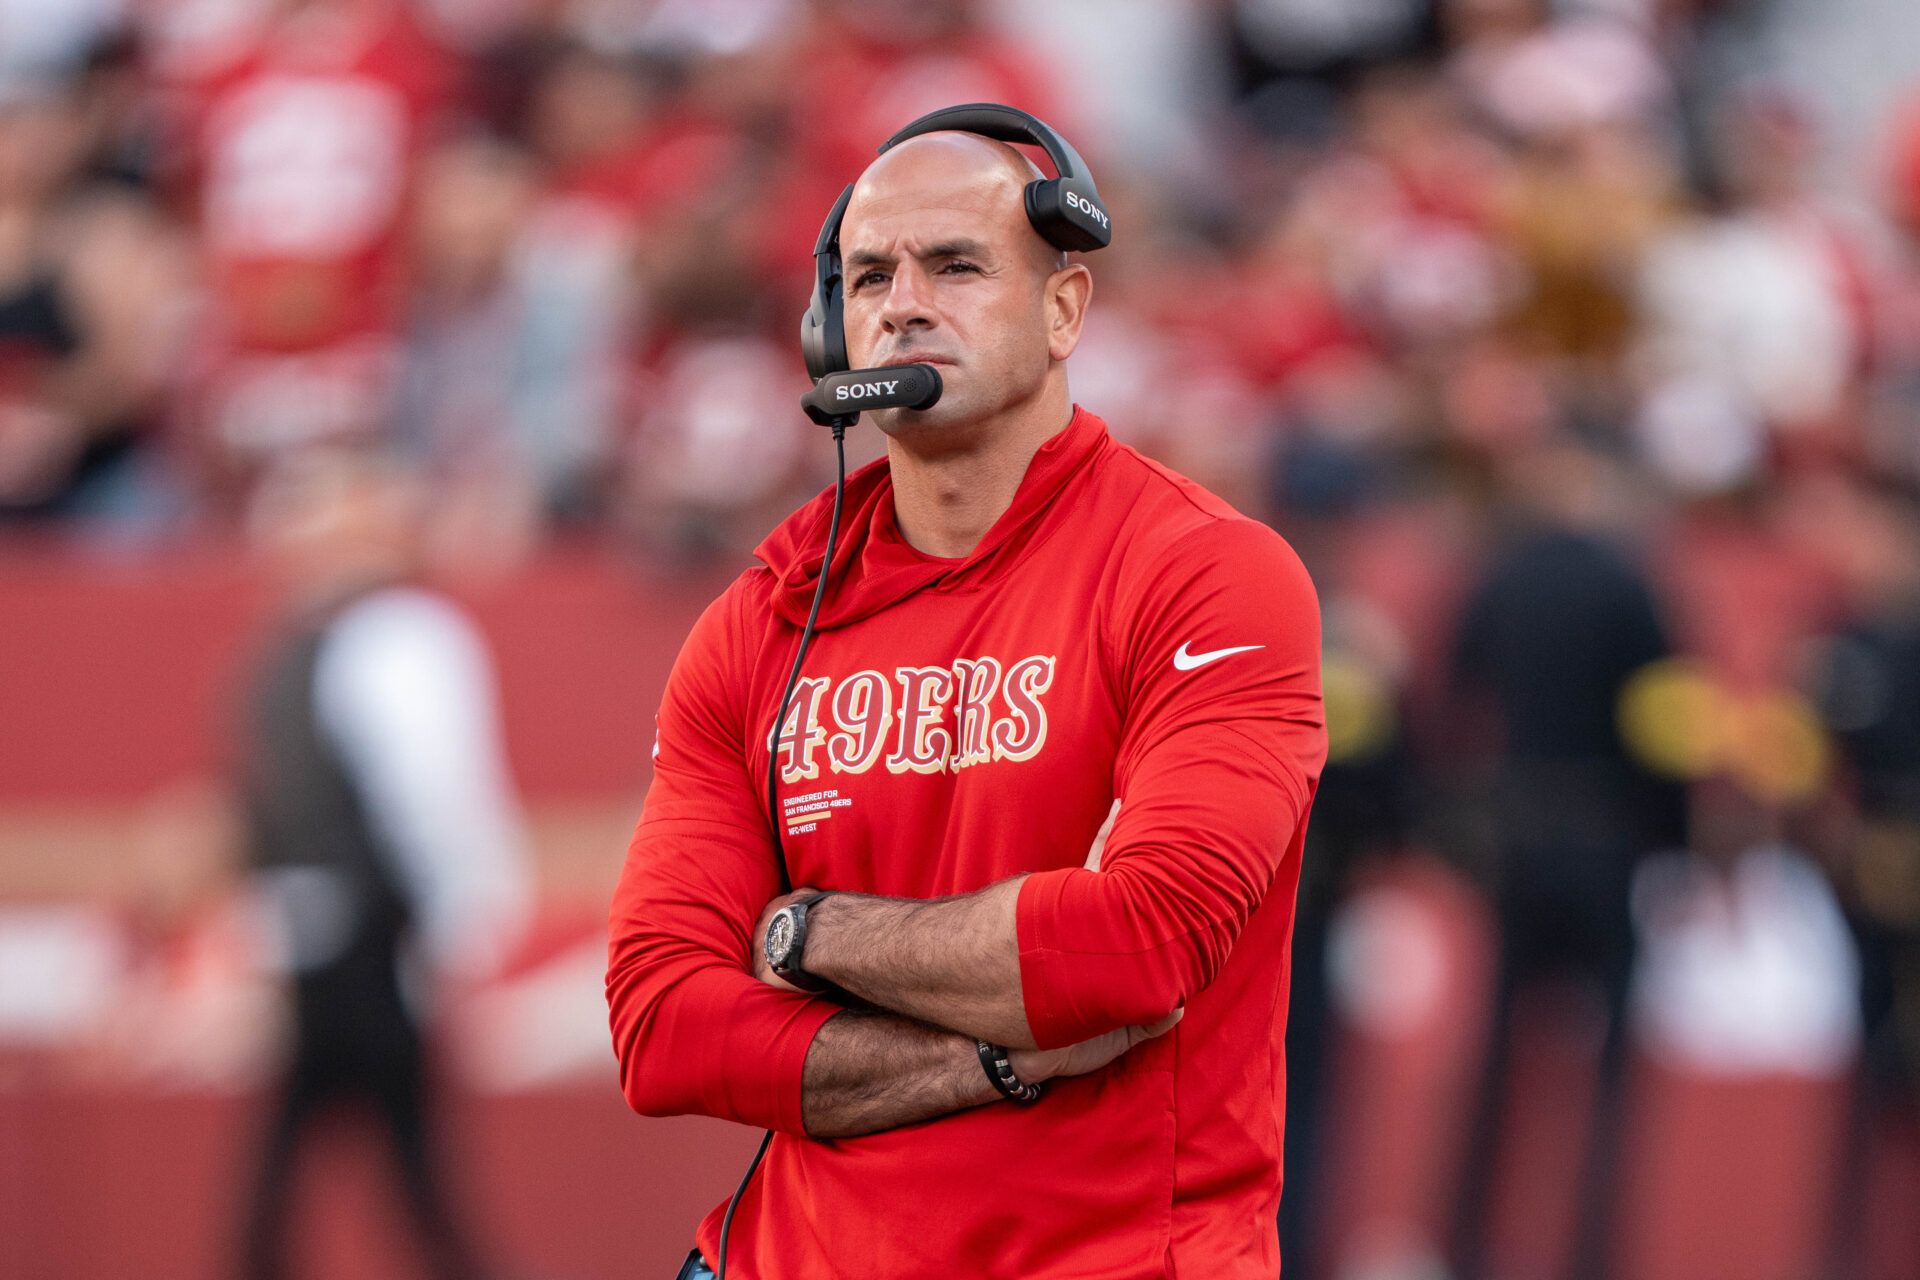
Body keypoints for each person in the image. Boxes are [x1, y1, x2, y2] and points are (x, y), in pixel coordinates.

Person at [605, 107, 1327, 1279]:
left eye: (956, 265)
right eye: (870, 273)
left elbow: (1134, 950)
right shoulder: (761, 615)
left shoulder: (1208, 573)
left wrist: (800, 930)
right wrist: (994, 1055)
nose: (903, 302)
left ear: (1063, 311)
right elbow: (662, 1026)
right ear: (825, 327)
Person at [235, 444, 530, 1280]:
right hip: (366, 924)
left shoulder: (312, 647)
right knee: (380, 1125)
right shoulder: (391, 637)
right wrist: (470, 907)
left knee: (343, 1124)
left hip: (338, 921)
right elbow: (432, 788)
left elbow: (412, 792)